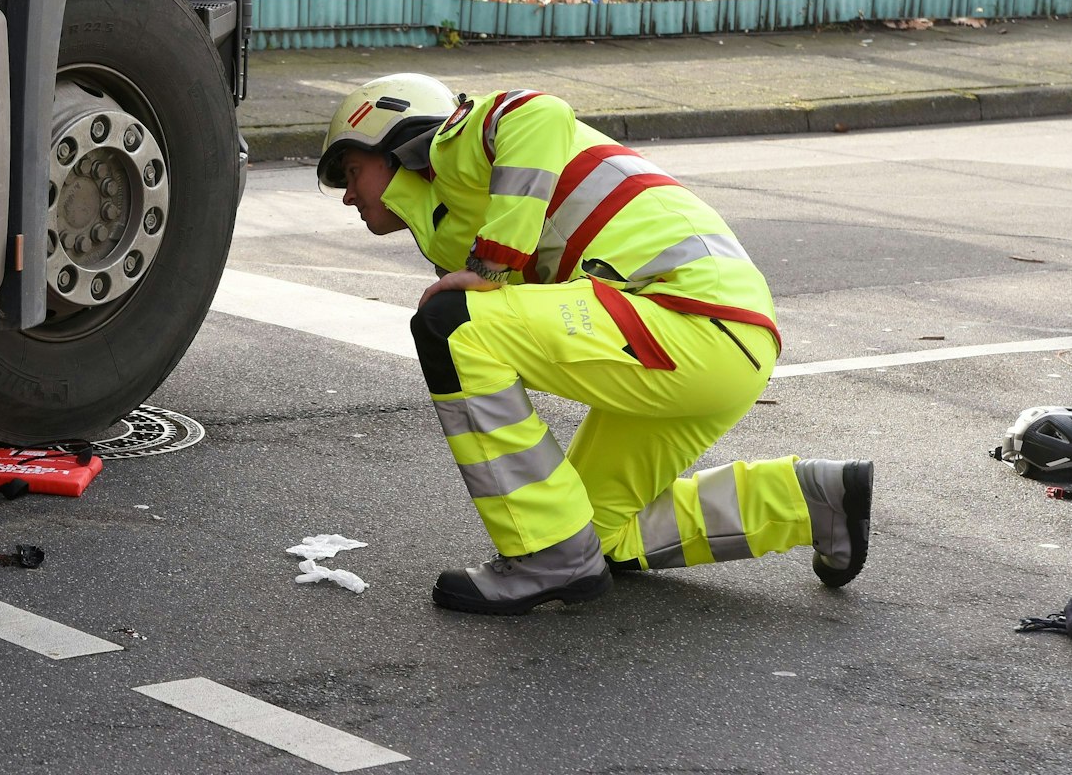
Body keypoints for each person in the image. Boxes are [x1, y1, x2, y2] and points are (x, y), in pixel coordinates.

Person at [319, 74, 872, 614]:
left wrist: (492, 263)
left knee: (453, 324)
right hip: (714, 344)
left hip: (686, 317)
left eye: (351, 170)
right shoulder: (462, 216)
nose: (347, 196)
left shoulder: (451, 142)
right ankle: (810, 501)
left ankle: (545, 553)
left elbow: (538, 112)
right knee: (594, 530)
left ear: (394, 144)